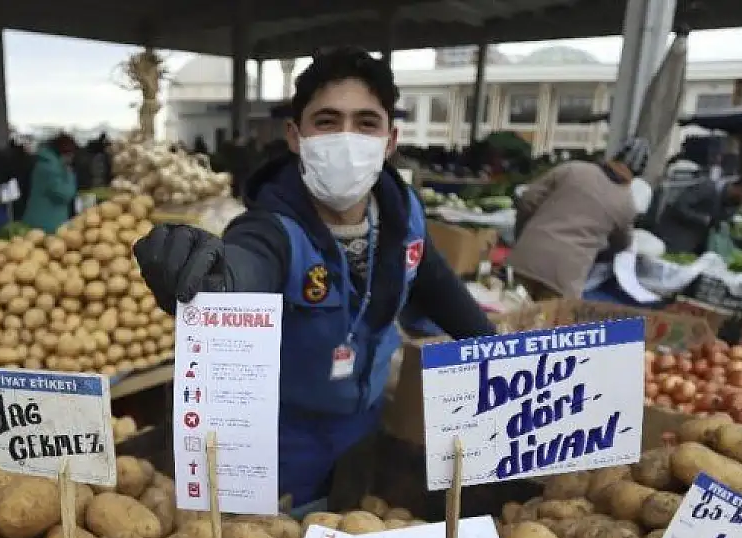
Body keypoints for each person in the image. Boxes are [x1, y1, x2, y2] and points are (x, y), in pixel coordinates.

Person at [132, 47, 495, 507]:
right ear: (295, 135)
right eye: (326, 121)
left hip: (364, 431)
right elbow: (243, 270)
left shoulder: (405, 218)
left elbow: (444, 293)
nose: (347, 137)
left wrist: (505, 358)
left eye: (366, 123)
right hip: (285, 443)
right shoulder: (273, 229)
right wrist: (204, 275)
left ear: (390, 139)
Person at [507, 138, 650, 301]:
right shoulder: (626, 203)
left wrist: (523, 235)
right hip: (566, 275)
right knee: (546, 323)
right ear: (636, 175)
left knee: (507, 315)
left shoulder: (572, 169)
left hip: (527, 258)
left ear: (614, 157)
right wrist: (596, 252)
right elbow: (622, 244)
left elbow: (527, 200)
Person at [654, 174, 742, 255]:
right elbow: (679, 206)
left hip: (696, 244)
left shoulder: (732, 206)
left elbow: (718, 225)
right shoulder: (708, 187)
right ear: (741, 189)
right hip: (674, 236)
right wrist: (704, 219)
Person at [21, 133, 78, 234]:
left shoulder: (45, 163)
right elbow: (65, 194)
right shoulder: (51, 169)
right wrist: (69, 175)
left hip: (40, 219)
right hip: (47, 224)